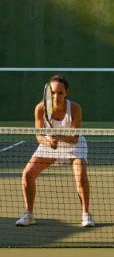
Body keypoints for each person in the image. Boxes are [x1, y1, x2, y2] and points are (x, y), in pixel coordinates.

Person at [16, 75, 95, 227]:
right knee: (28, 174)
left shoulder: (75, 108)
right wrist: (48, 141)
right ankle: (28, 214)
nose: (56, 96)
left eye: (60, 92)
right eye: (52, 92)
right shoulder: (40, 108)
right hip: (50, 144)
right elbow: (39, 135)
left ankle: (86, 214)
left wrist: (57, 136)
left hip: (74, 145)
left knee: (80, 174)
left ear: (66, 93)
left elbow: (74, 138)